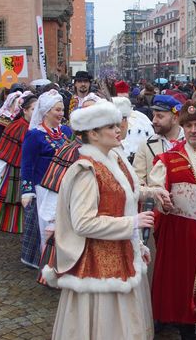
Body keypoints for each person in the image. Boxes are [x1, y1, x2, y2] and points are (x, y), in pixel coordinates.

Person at [41, 101, 155, 339]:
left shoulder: (115, 158)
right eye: (111, 126)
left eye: (118, 124)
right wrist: (132, 224)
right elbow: (83, 223)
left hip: (123, 253)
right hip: (97, 263)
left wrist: (138, 242)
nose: (118, 129)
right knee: (103, 326)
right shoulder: (87, 169)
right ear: (93, 134)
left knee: (124, 324)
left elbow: (123, 197)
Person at [148, 100, 196, 339]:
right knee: (181, 290)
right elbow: (157, 192)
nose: (193, 130)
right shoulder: (168, 158)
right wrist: (163, 203)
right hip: (180, 235)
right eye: (188, 125)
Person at [20, 90, 73, 268]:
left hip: (65, 187)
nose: (61, 113)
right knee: (47, 228)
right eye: (57, 110)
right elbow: (26, 164)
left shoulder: (65, 131)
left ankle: (64, 263)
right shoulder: (35, 135)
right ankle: (48, 266)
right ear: (46, 111)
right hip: (44, 187)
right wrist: (27, 191)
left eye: (62, 109)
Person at [0, 93, 38, 233]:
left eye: (38, 109)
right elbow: (4, 154)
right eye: (33, 109)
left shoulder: (40, 126)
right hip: (16, 169)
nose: (36, 112)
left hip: (35, 171)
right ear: (25, 110)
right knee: (16, 200)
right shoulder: (16, 126)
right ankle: (19, 227)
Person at [132, 95, 184, 187]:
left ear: (175, 119)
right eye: (154, 115)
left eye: (160, 116)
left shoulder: (190, 142)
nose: (154, 121)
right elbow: (137, 181)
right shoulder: (145, 145)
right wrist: (153, 194)